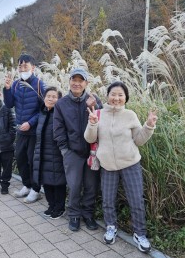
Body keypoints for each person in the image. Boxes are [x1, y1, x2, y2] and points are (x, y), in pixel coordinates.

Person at [84, 81, 158, 253]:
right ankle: (111, 226)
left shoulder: (130, 115)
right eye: (113, 94)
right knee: (108, 199)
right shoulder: (99, 114)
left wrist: (149, 125)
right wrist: (93, 123)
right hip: (108, 165)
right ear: (107, 96)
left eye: (120, 95)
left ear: (125, 98)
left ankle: (140, 233)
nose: (116, 98)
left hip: (130, 163)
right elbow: (89, 139)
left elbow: (139, 140)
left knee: (136, 200)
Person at [53, 68, 102, 232]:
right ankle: (74, 214)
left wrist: (95, 106)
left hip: (92, 151)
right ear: (69, 82)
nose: (77, 83)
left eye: (81, 80)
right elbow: (58, 129)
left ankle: (88, 214)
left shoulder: (94, 99)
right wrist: (65, 150)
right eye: (74, 80)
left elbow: (102, 120)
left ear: (86, 83)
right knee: (74, 185)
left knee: (91, 186)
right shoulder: (61, 104)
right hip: (72, 152)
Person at [3, 53, 46, 203]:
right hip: (20, 129)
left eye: (25, 65)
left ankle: (36, 189)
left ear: (33, 67)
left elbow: (44, 110)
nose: (22, 68)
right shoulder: (15, 84)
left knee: (32, 160)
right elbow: (9, 105)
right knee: (20, 157)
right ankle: (26, 185)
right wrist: (7, 89)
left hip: (34, 131)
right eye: (20, 66)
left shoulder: (40, 85)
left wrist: (31, 123)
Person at [33, 87, 66, 219]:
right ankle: (51, 205)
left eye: (54, 97)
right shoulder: (42, 113)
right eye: (48, 96)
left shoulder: (61, 114)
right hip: (42, 152)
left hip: (56, 153)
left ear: (59, 100)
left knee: (58, 182)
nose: (51, 99)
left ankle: (60, 207)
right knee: (46, 181)